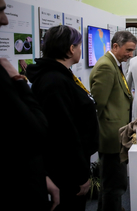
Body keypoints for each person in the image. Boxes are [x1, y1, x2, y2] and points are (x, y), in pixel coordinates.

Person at [1, 0, 60, 211]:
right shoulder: (52, 80)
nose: (5, 19)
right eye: (1, 10)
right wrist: (17, 80)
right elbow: (36, 128)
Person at [27, 25, 99, 211]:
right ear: (71, 49)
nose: (80, 50)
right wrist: (81, 175)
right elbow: (65, 133)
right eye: (79, 45)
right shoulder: (54, 81)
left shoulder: (60, 76)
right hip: (65, 172)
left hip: (68, 166)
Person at [89, 31, 137, 211]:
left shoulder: (114, 64)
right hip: (110, 137)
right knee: (114, 184)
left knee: (112, 182)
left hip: (116, 135)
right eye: (129, 50)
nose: (131, 54)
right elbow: (98, 105)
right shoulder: (106, 67)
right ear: (115, 46)